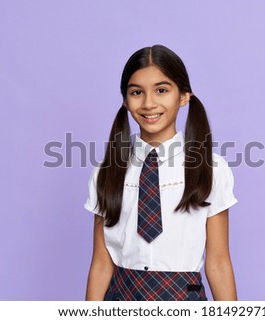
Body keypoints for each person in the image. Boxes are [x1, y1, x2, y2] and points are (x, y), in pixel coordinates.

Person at [84, 44, 238, 301]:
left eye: (162, 90)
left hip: (183, 299)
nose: (148, 103)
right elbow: (101, 263)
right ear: (125, 100)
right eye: (136, 92)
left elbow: (218, 262)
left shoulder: (210, 169)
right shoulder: (107, 171)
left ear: (184, 96)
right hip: (122, 298)